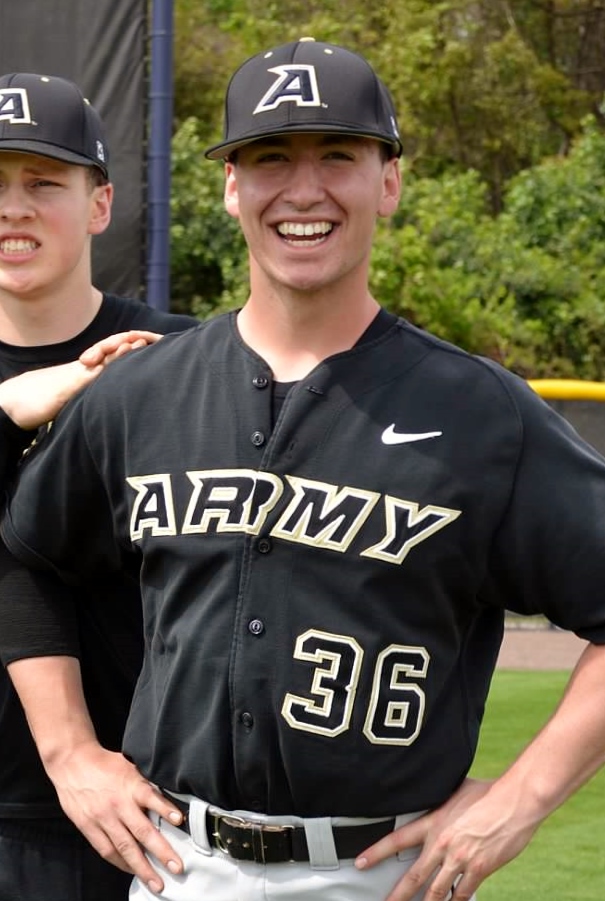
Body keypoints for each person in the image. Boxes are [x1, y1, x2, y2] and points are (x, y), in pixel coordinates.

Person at [1, 39, 605, 901]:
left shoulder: (481, 412)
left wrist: (518, 799)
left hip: (376, 873)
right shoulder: (142, 391)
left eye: (338, 156)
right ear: (231, 188)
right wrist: (68, 752)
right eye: (270, 157)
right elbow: (26, 546)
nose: (303, 189)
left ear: (388, 182)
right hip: (179, 864)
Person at [0, 72, 197, 901]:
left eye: (44, 182)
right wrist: (10, 405)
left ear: (101, 204)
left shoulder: (174, 357)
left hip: (135, 805)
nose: (14, 208)